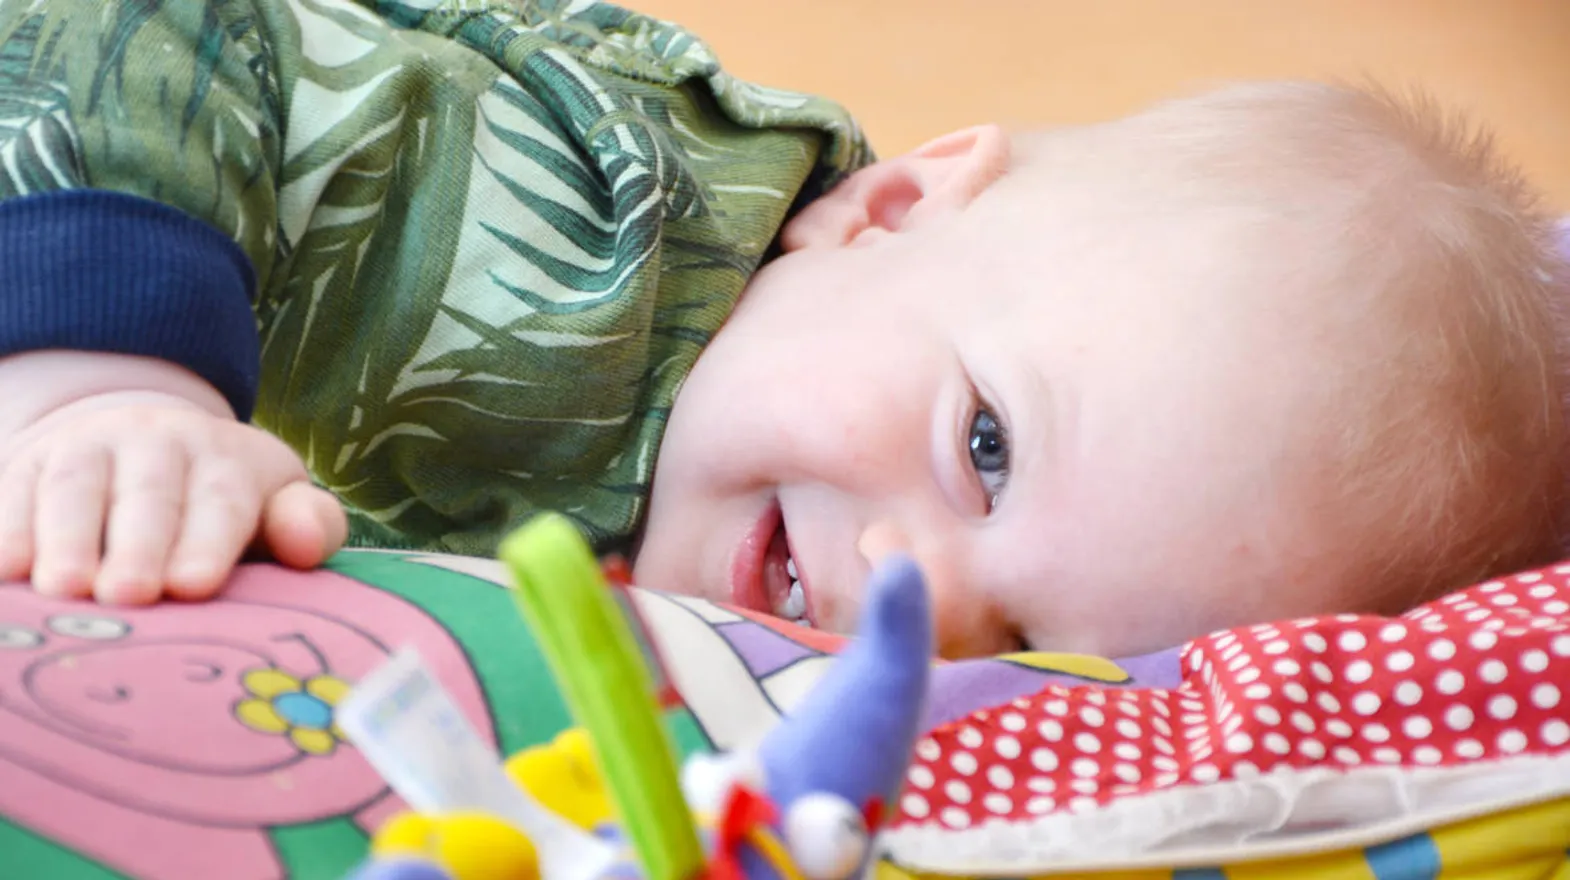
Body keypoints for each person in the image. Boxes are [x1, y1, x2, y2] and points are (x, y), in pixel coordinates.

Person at [0, 1, 1562, 660]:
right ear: (887, 210)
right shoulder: (572, 221)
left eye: (1028, 648)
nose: (915, 607)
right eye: (987, 448)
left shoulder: (747, 672)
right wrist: (106, 374)